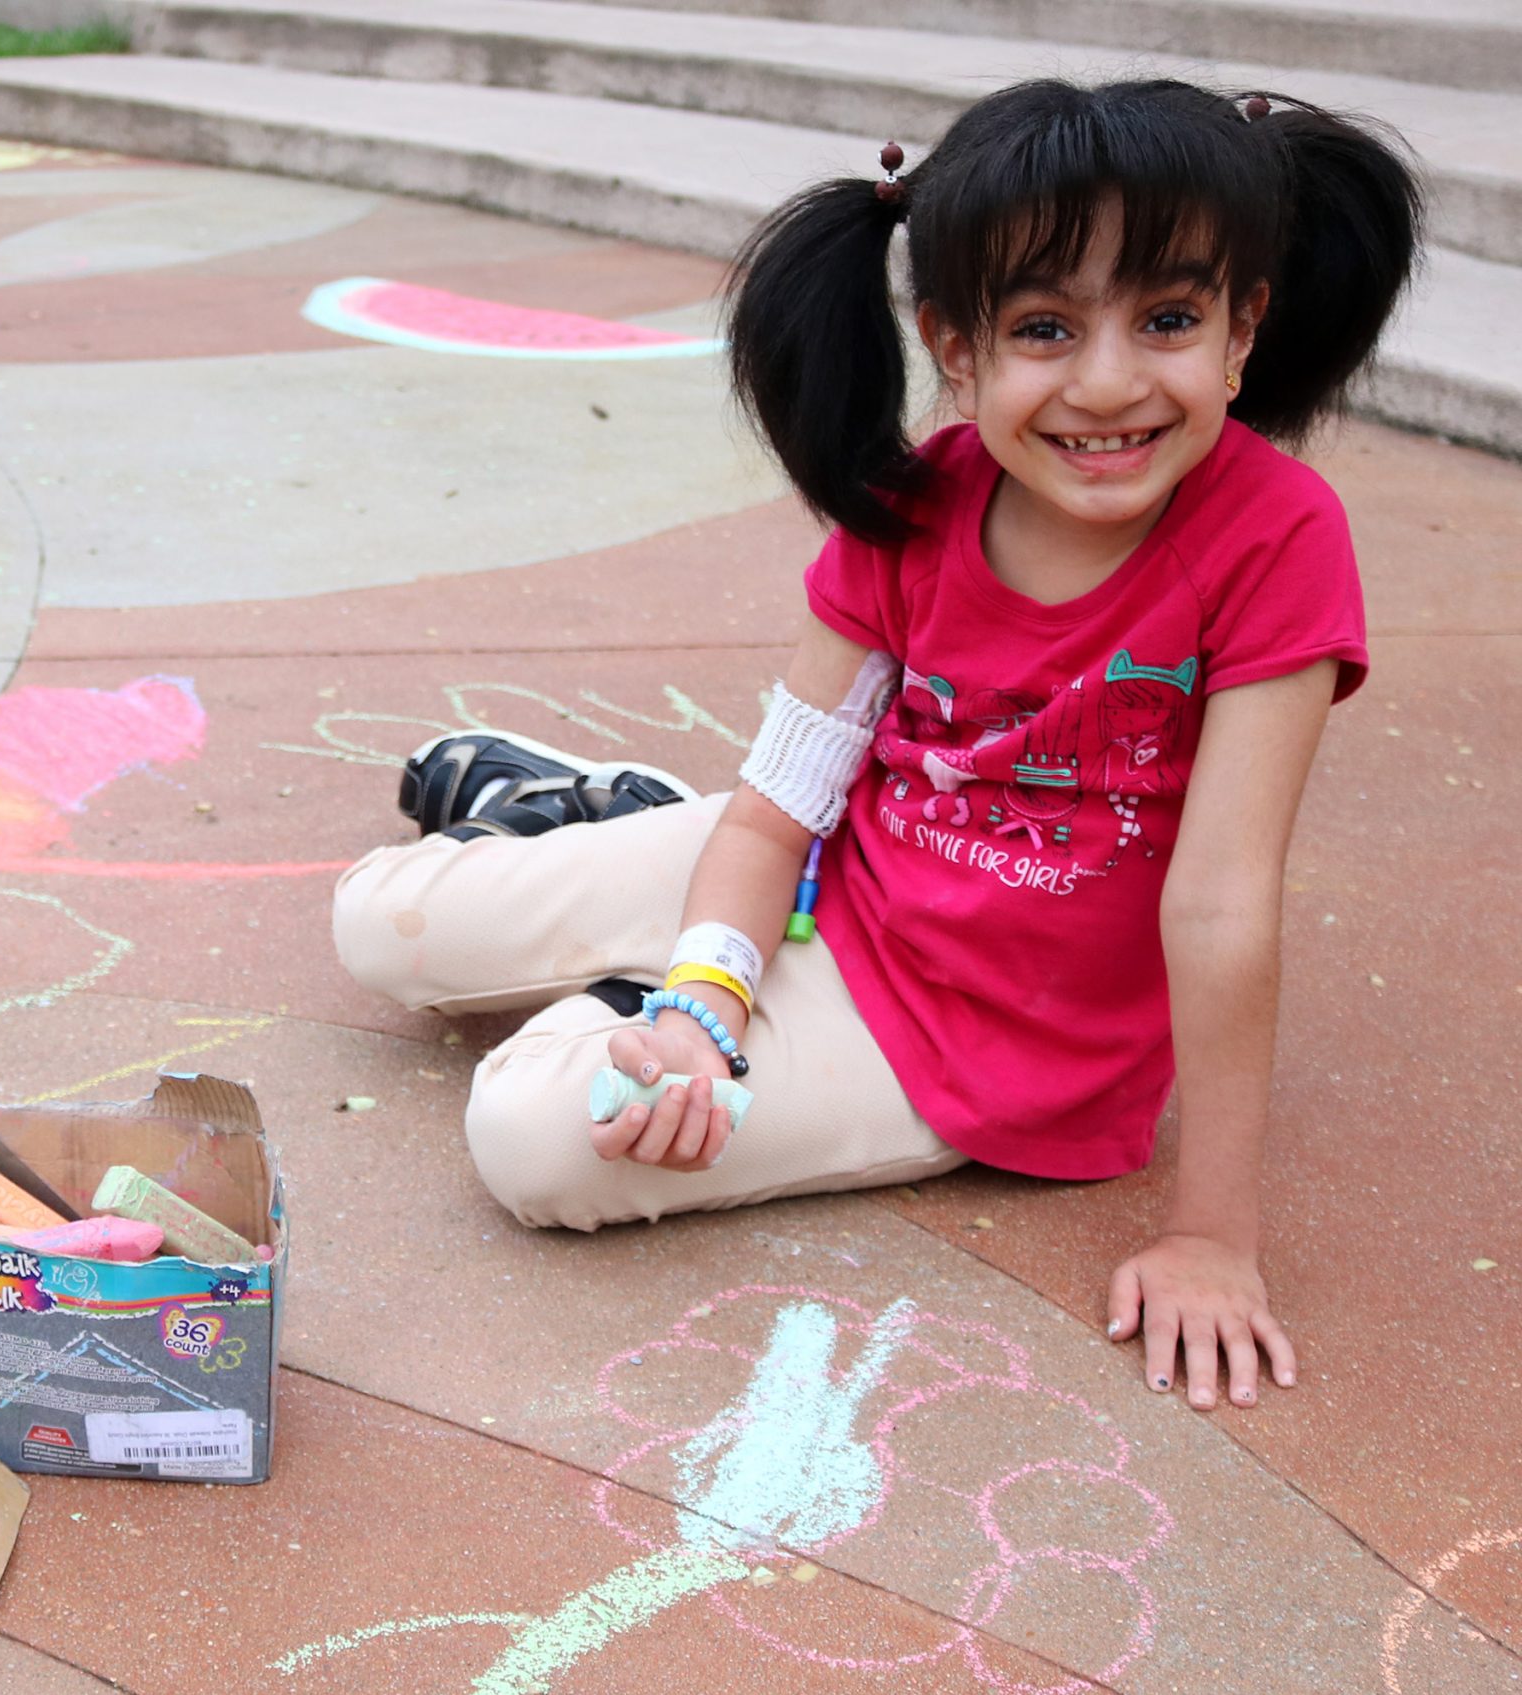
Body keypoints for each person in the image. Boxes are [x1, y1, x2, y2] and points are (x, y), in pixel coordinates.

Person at [332, 79, 1421, 1413]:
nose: (1109, 380)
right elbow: (778, 813)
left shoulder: (1276, 535)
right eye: (1043, 327)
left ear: (1246, 326)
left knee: (531, 1137)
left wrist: (1214, 1232)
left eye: (1171, 319)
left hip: (970, 1056)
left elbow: (1221, 900)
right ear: (953, 348)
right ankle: (613, 823)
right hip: (822, 875)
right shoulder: (913, 505)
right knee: (378, 926)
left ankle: (621, 895)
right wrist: (703, 996)